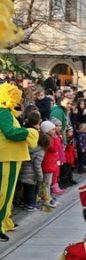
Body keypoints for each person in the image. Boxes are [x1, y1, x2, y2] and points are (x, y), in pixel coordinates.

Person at [0, 82, 39, 241]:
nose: (18, 100)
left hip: (12, 156)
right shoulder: (3, 112)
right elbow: (10, 133)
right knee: (4, 193)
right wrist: (29, 131)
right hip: (7, 156)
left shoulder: (8, 112)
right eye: (15, 96)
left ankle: (5, 220)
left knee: (8, 193)